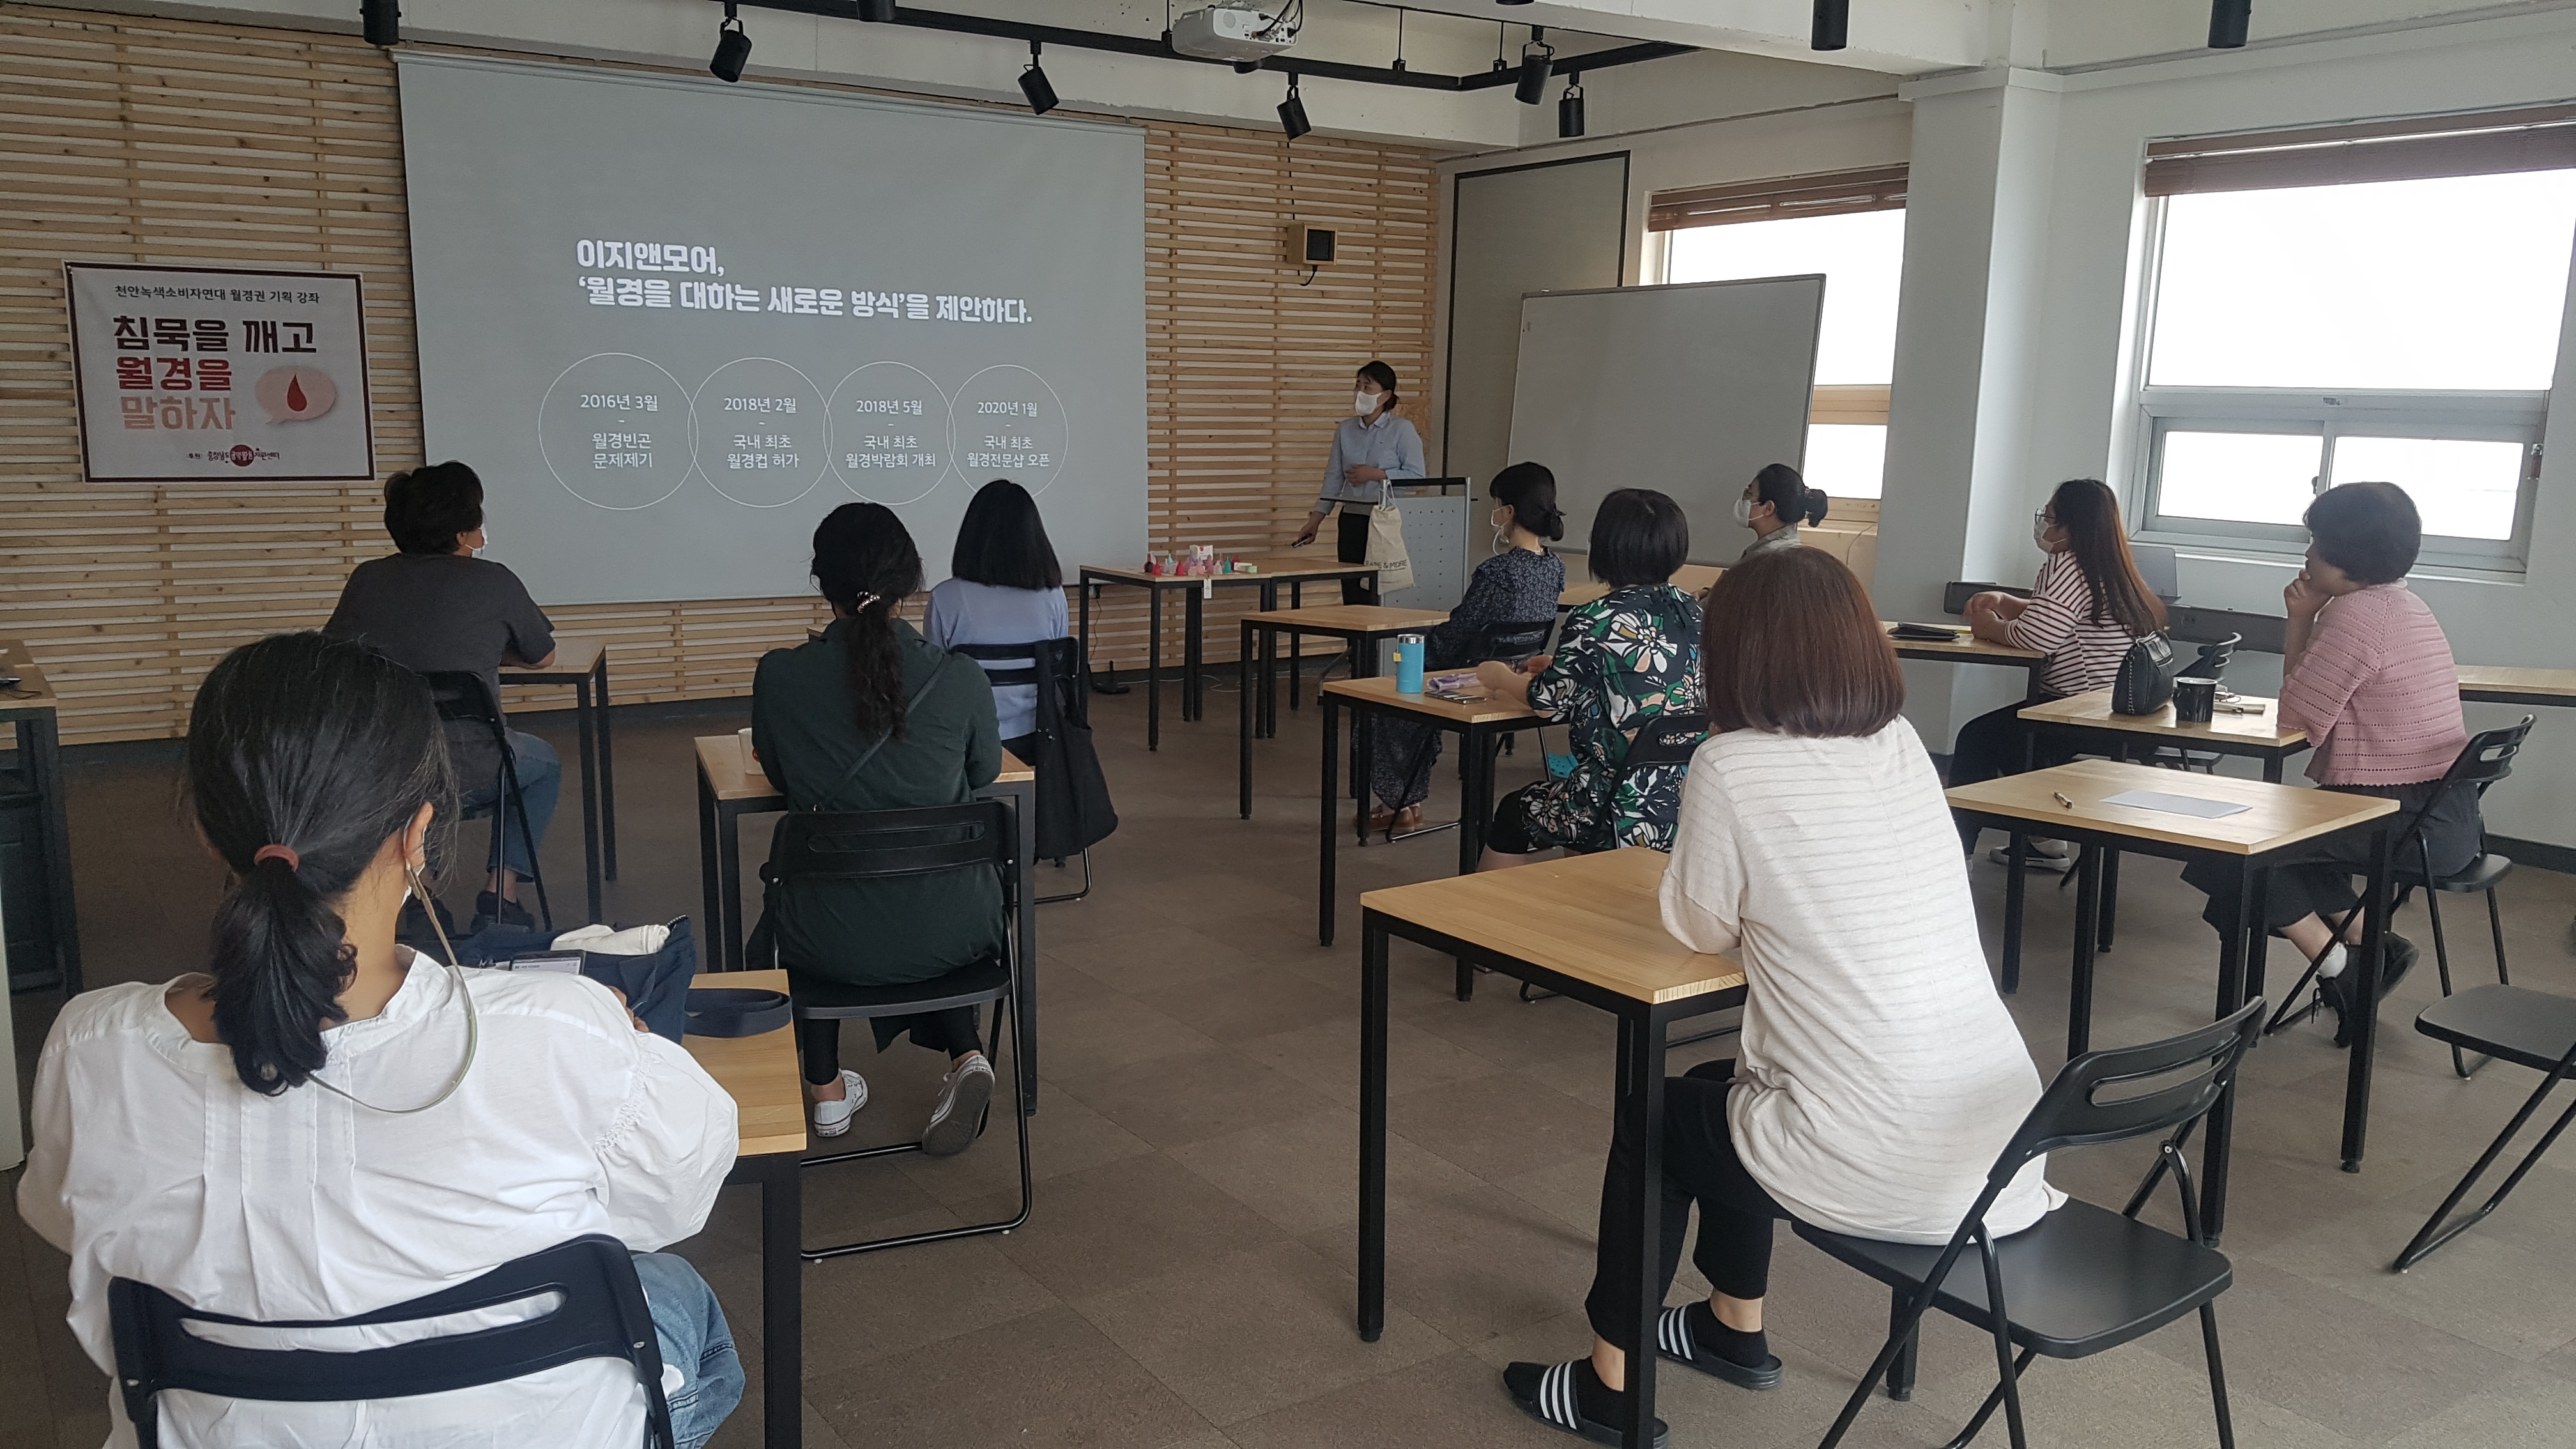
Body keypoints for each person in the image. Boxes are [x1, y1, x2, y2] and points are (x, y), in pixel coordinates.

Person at [17, 632, 742, 1449]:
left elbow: (64, 1217)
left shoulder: (89, 1049)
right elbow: (680, 1194)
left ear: (208, 833)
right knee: (672, 1287)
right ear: (418, 834)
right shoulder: (562, 1030)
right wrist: (622, 1038)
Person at [1501, 548, 2058, 1445]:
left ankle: (1611, 1384)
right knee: (1718, 1089)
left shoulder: (1731, 763)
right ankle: (1731, 1328)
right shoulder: (1902, 743)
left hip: (1888, 1161)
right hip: (2002, 1151)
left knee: (1653, 1119)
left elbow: (1698, 925)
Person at [752, 502, 1007, 1151]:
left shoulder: (781, 675)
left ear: (822, 581)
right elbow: (984, 772)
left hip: (826, 940)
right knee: (921, 879)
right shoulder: (960, 677)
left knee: (811, 887)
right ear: (911, 581)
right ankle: (967, 1055)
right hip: (957, 931)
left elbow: (779, 776)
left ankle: (826, 1093)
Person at [2183, 481, 2462, 1045]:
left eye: (2316, 542)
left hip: (2399, 818)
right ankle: (2371, 942)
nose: (2307, 555)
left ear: (2346, 554)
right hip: (2445, 816)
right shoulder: (2406, 603)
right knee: (2268, 840)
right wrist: (2308, 618)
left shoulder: (2356, 616)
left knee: (2229, 847)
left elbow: (2296, 719)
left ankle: (2342, 968)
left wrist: (2300, 621)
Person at [325, 460, 562, 931]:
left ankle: (421, 892)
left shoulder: (367, 580)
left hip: (385, 767)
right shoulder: (494, 580)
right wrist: (484, 651)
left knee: (415, 772)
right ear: (462, 532)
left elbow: (337, 659)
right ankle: (501, 894)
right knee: (543, 766)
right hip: (478, 766)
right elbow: (543, 657)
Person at [1474, 487, 1702, 866]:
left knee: (1515, 811)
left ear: (1605, 545)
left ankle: (1482, 908)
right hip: (1686, 798)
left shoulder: (1596, 619)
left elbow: (1548, 703)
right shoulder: (1693, 612)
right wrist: (1567, 668)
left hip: (1613, 803)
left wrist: (1499, 676)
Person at [1949, 477, 2166, 864]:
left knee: (1977, 740)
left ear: (2070, 526)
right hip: (2117, 709)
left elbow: (2038, 637)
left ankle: (1953, 855)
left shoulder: (2067, 564)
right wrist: (2006, 602)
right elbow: (2060, 618)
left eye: (2048, 517)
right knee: (2012, 740)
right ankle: (2044, 841)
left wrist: (1988, 627)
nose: (2043, 525)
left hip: (2082, 711)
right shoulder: (2109, 564)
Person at [1364, 462, 1568, 833]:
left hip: (1470, 677)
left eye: (1497, 504)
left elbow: (1459, 633)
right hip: (1515, 676)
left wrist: (1421, 645)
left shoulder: (1497, 572)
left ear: (1509, 511)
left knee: (1389, 699)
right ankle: (1405, 803)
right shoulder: (1555, 568)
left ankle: (1401, 804)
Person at [926, 479, 1070, 760]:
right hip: (1038, 734)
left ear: (971, 535)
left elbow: (934, 676)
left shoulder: (946, 598)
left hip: (967, 738)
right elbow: (1055, 667)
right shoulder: (1053, 596)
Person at [1292, 360, 1425, 605]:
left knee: (1379, 590)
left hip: (1386, 521)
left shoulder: (1402, 430)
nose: (1359, 392)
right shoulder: (1345, 429)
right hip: (1352, 518)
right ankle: (1354, 631)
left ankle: (1378, 632)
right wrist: (1315, 520)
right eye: (1357, 385)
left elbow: (1417, 477)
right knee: (1352, 589)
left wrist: (1378, 474)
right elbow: (1334, 477)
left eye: (1367, 387)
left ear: (1385, 396)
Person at [1733, 462, 1827, 564]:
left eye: (1749, 493)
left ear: (1768, 508)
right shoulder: (1784, 548)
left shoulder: (1768, 560)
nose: (1744, 499)